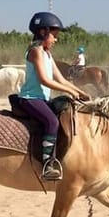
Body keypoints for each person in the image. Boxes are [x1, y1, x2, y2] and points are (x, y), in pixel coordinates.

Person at [18, 11, 90, 181]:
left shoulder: (47, 54)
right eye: (54, 35)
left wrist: (80, 92)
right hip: (30, 98)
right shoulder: (35, 51)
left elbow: (61, 79)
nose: (55, 39)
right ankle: (47, 164)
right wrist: (70, 92)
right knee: (52, 121)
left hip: (42, 99)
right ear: (43, 32)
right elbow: (44, 80)